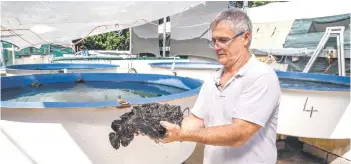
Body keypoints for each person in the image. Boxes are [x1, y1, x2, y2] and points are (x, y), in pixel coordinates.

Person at [139, 8, 281, 164]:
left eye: (223, 40)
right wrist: (158, 127)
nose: (216, 47)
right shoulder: (213, 78)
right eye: (214, 41)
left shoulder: (261, 76)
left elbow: (239, 134)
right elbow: (196, 120)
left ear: (245, 38)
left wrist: (181, 135)